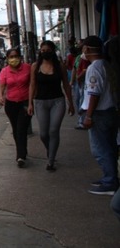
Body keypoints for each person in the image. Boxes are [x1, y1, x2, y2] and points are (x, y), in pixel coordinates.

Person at [79, 35, 118, 195]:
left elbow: (94, 94)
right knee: (109, 147)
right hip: (110, 112)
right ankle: (110, 177)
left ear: (87, 49)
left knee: (100, 149)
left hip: (99, 114)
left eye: (83, 47)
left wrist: (88, 116)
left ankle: (110, 182)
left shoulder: (94, 68)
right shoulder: (106, 65)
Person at [28, 40, 74, 172]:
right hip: (41, 102)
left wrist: (70, 103)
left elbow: (66, 85)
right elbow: (32, 85)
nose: (45, 53)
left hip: (57, 101)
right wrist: (30, 102)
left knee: (53, 131)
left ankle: (51, 160)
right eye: (42, 51)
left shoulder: (60, 66)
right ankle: (50, 149)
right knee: (43, 134)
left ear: (53, 51)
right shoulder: (35, 66)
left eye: (47, 50)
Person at [0, 48, 32, 168]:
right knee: (16, 129)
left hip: (25, 103)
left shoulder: (28, 68)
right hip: (11, 104)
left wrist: (31, 101)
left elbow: (33, 84)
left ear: (20, 57)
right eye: (11, 57)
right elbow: (1, 86)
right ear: (7, 59)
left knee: (21, 129)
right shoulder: (4, 71)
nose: (14, 59)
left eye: (16, 56)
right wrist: (1, 96)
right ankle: (22, 151)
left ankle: (20, 156)